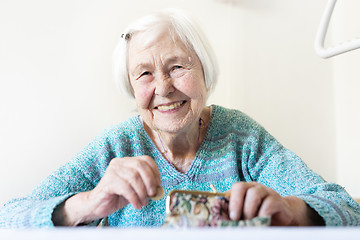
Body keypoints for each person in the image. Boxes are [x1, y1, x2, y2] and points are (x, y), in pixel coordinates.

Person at [0, 9, 359, 228]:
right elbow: (9, 217)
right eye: (144, 74)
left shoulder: (242, 137)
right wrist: (89, 202)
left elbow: (347, 209)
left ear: (205, 71)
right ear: (131, 87)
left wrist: (290, 209)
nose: (164, 87)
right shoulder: (116, 147)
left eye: (177, 66)